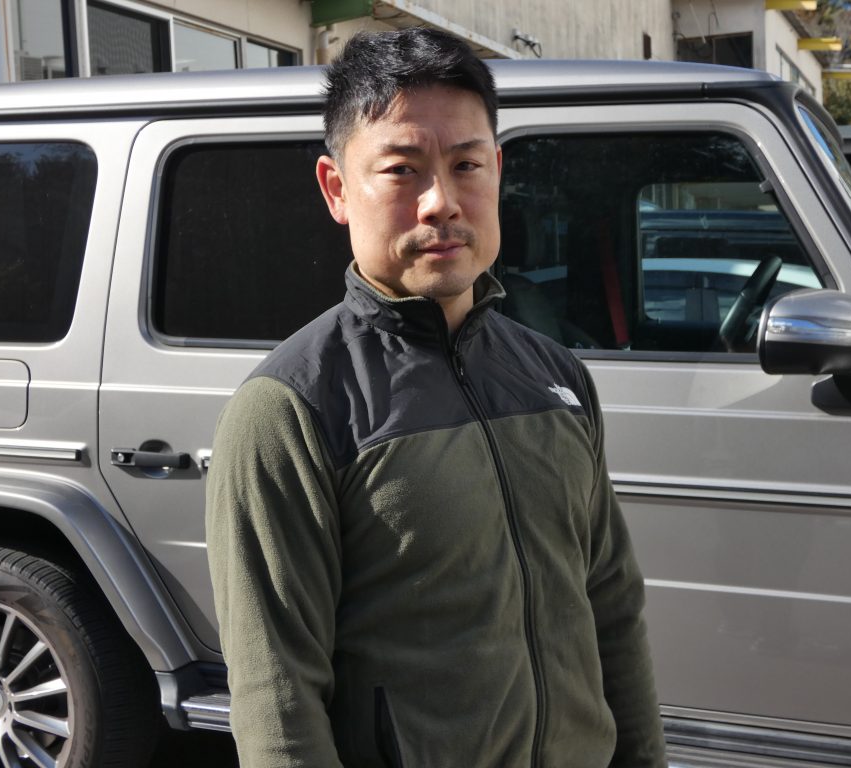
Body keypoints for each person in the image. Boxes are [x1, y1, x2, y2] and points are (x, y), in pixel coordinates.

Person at [206, 27, 666, 768]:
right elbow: (276, 701)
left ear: (498, 171)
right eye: (402, 170)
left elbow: (611, 607)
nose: (441, 203)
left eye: (466, 165)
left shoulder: (556, 377)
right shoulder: (290, 411)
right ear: (336, 189)